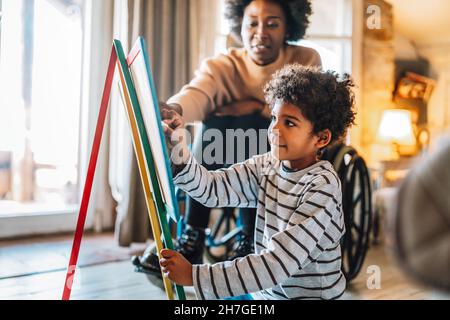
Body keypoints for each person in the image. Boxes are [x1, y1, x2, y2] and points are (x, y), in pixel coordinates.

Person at [133, 0, 322, 274]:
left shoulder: (305, 60)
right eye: (252, 23)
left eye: (272, 23)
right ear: (240, 25)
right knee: (213, 126)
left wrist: (254, 109)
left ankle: (249, 237)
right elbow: (199, 92)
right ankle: (193, 236)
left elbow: (300, 111)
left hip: (281, 152)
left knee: (252, 124)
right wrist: (175, 110)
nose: (261, 32)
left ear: (288, 26)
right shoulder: (225, 64)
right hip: (227, 148)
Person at [159, 64, 356, 300]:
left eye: (289, 123)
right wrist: (178, 153)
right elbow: (212, 189)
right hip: (265, 293)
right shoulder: (265, 165)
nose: (274, 129)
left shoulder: (322, 185)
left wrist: (194, 275)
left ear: (321, 138)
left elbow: (277, 263)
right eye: (274, 117)